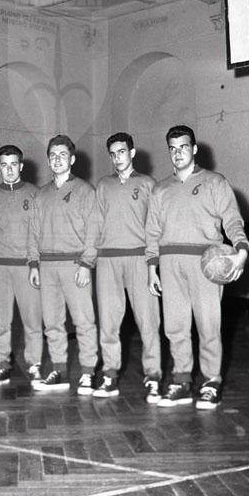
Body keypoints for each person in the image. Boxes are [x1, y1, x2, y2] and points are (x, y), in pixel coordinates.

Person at [146, 125, 248, 409]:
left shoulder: (215, 182)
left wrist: (241, 250)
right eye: (173, 149)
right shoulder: (160, 189)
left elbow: (232, 220)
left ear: (194, 149)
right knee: (175, 326)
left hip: (206, 263)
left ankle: (211, 381)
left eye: (183, 147)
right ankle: (181, 381)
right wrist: (152, 267)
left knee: (208, 325)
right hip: (170, 263)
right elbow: (152, 232)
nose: (178, 153)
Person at [88, 132, 162, 402]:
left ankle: (153, 376)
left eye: (122, 152)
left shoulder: (148, 184)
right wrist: (88, 260)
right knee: (108, 322)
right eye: (113, 153)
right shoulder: (103, 185)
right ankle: (109, 375)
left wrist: (153, 263)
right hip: (108, 260)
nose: (117, 157)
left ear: (132, 153)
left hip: (139, 259)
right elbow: (95, 224)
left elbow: (155, 227)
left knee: (148, 321)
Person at [27, 134, 99, 393]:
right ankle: (59, 370)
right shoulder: (41, 194)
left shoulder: (85, 190)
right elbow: (33, 232)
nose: (57, 160)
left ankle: (88, 372)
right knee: (52, 322)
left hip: (75, 264)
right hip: (47, 266)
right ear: (48, 160)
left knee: (84, 321)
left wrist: (86, 263)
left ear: (72, 159)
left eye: (63, 155)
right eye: (53, 156)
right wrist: (33, 264)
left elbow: (94, 231)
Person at [0, 144, 43, 387]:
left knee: (32, 318)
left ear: (21, 166)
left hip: (26, 266)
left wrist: (34, 262)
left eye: (13, 164)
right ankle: (2, 364)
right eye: (4, 165)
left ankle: (35, 365)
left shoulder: (35, 194)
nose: (9, 170)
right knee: (1, 319)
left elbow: (39, 232)